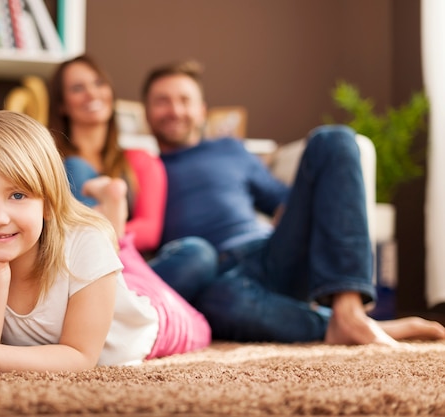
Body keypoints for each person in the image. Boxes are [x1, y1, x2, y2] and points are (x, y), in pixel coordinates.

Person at [141, 60, 445, 345]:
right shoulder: (137, 168)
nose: (174, 110)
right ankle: (335, 325)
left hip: (270, 255)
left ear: (202, 110)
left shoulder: (230, 150)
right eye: (162, 101)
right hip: (212, 279)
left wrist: (292, 215)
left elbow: (282, 201)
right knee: (219, 304)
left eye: (184, 100)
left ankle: (349, 308)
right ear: (147, 112)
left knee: (333, 139)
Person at [0, 110, 210, 380]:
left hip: (154, 320)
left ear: (48, 204)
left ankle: (115, 225)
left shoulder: (85, 243)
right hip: (96, 273)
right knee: (114, 256)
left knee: (200, 327)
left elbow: (80, 356)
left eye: (18, 195)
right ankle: (115, 229)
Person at [48, 54, 217, 287]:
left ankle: (114, 301)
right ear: (62, 104)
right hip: (74, 268)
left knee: (199, 254)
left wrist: (108, 231)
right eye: (78, 88)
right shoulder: (50, 162)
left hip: (130, 273)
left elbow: (149, 231)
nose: (92, 94)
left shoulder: (139, 160)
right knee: (74, 167)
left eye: (99, 84)